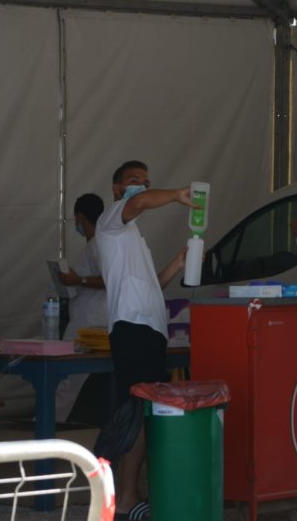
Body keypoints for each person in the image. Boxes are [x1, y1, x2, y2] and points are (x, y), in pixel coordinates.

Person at [95, 160, 192, 521]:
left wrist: (177, 265)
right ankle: (126, 499)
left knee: (143, 414)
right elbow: (141, 203)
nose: (141, 187)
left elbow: (152, 286)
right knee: (136, 415)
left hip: (149, 331)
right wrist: (176, 195)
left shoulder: (132, 236)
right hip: (133, 330)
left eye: (146, 182)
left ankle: (129, 495)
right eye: (134, 181)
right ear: (117, 189)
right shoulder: (113, 220)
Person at [53, 193, 108, 423]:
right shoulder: (95, 245)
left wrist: (79, 281)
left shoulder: (98, 245)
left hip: (87, 324)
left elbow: (109, 279)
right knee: (70, 380)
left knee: (66, 378)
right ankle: (53, 420)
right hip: (90, 318)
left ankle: (49, 421)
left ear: (80, 217)